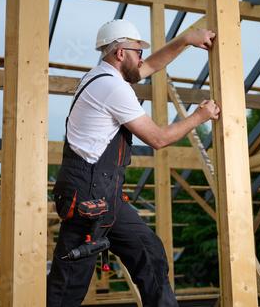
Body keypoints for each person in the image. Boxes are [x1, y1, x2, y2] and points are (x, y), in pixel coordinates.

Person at [47, 19, 219, 307]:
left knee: (149, 253)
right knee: (68, 286)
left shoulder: (102, 77)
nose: (141, 57)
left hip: (106, 195)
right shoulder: (113, 89)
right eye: (137, 51)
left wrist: (187, 40)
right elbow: (158, 139)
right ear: (120, 53)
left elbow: (149, 66)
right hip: (87, 197)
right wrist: (199, 117)